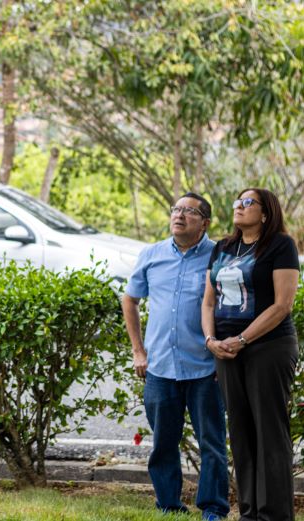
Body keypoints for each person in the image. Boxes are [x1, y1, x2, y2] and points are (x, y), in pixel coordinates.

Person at [122, 193, 229, 519]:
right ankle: (168, 505)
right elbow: (130, 300)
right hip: (160, 369)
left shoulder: (219, 255)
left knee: (211, 444)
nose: (179, 216)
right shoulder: (152, 254)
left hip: (205, 368)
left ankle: (213, 508)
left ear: (205, 223)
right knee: (163, 444)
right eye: (176, 210)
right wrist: (138, 351)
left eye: (189, 211)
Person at [202, 188, 300, 521]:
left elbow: (282, 304)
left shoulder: (280, 245)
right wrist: (211, 339)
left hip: (268, 348)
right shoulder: (223, 247)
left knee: (269, 433)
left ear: (266, 212)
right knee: (241, 433)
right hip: (227, 350)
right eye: (236, 201)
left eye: (248, 203)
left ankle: (273, 515)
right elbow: (208, 302)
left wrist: (242, 339)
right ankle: (248, 514)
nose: (239, 207)